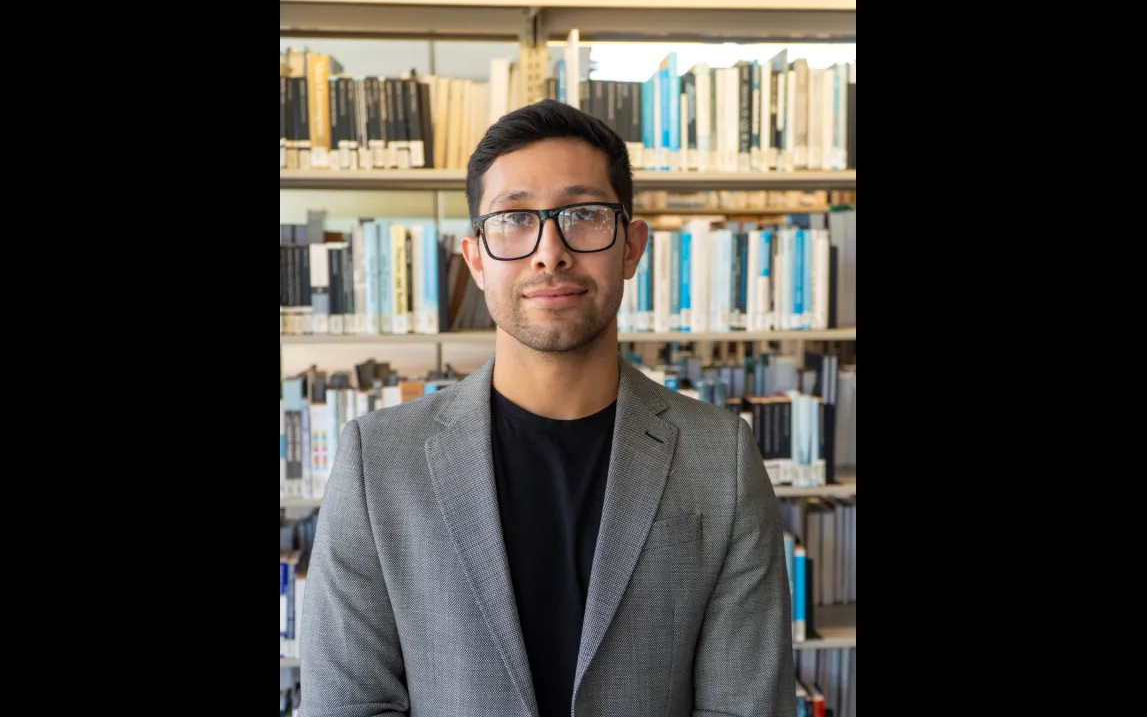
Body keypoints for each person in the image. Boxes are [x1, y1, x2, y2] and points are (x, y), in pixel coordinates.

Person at [301, 99, 794, 717]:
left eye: (584, 215)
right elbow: (346, 704)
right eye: (514, 219)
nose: (549, 252)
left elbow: (746, 705)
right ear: (476, 259)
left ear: (632, 247)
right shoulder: (378, 460)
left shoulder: (720, 457)